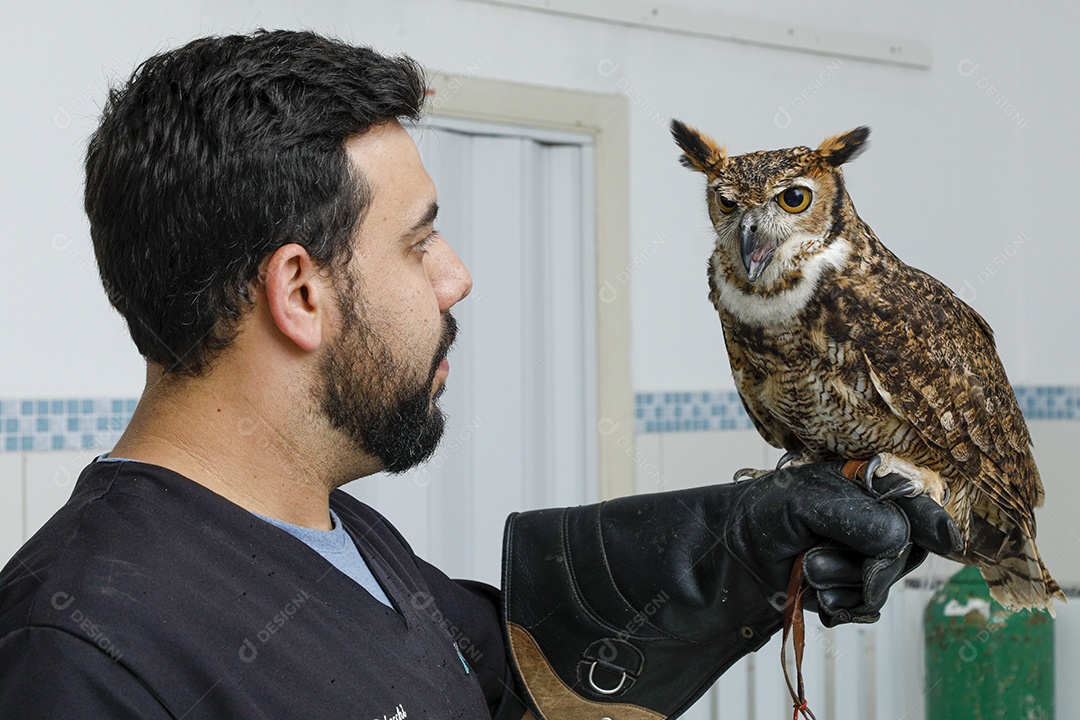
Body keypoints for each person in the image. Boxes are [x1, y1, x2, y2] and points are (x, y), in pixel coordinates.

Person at [0, 30, 960, 719]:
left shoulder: (344, 536)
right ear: (298, 291)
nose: (458, 274)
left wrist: (744, 547)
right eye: (419, 243)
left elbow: (514, 680)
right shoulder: (80, 655)